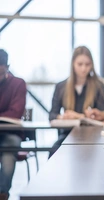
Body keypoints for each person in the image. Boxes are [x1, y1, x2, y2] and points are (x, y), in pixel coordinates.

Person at [49, 46, 104, 157]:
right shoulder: (61, 87)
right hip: (67, 135)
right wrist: (63, 117)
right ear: (73, 64)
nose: (83, 69)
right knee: (54, 152)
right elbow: (52, 115)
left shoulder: (99, 86)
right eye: (80, 64)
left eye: (87, 64)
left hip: (93, 137)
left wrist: (77, 116)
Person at [0, 49, 26, 200]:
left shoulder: (18, 84)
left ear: (7, 67)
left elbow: (15, 112)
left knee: (9, 147)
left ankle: (3, 193)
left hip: (10, 133)